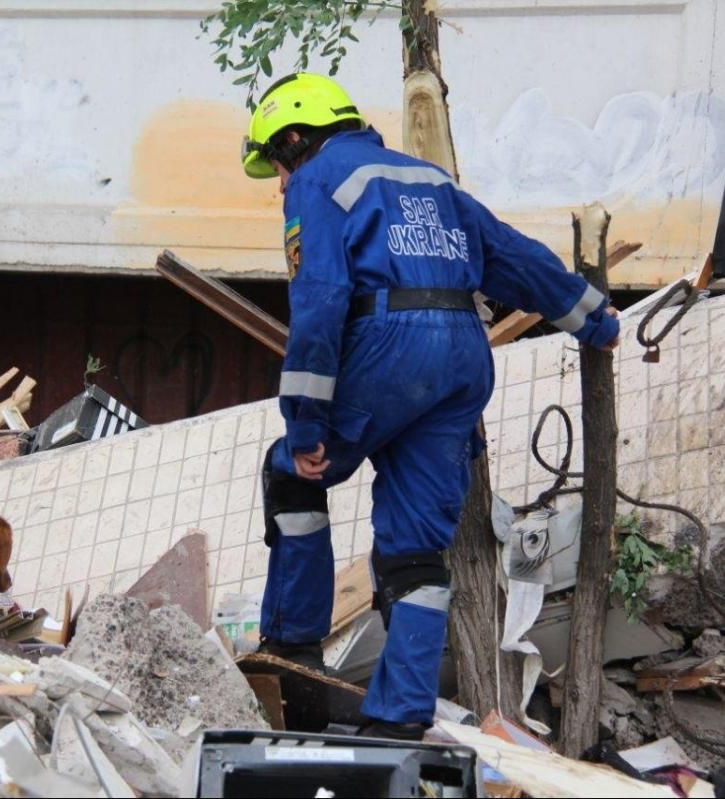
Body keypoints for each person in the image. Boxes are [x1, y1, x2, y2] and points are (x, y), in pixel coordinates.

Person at [243, 72, 620, 741]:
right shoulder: (429, 180)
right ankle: (399, 719)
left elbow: (322, 300)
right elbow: (511, 258)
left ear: (295, 137)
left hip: (387, 347)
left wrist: (304, 423)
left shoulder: (316, 179)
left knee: (291, 472)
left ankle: (293, 651)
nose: (278, 182)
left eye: (275, 162)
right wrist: (594, 318)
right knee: (415, 549)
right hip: (462, 359)